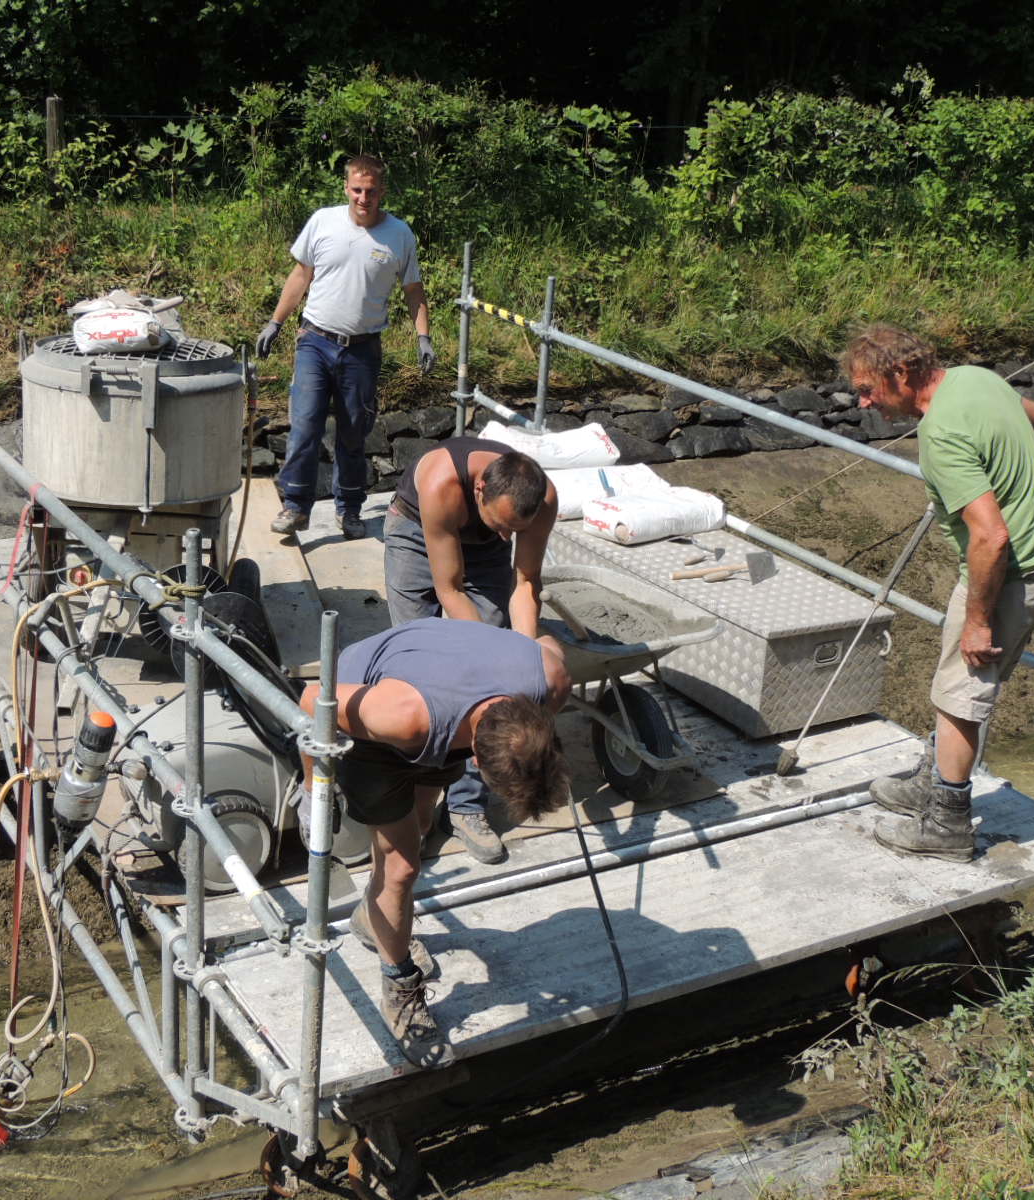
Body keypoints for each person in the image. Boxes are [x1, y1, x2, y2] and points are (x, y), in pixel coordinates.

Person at [300, 619, 572, 1067]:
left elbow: (546, 641)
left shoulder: (552, 682)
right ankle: (399, 986)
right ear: (476, 757)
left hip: (443, 696)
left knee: (421, 824)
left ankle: (371, 919)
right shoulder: (402, 715)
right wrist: (313, 789)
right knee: (401, 868)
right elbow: (313, 701)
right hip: (371, 723)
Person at [847, 324, 1034, 862]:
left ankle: (947, 823)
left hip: (1008, 571)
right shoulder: (976, 378)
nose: (863, 403)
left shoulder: (941, 433)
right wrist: (1023, 469)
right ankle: (933, 780)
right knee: (956, 684)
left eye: (868, 389)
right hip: (1031, 558)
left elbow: (991, 536)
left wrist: (978, 621)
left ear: (901, 374)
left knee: (960, 694)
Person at [384, 438, 559, 863]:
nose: (507, 537)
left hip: (482, 550)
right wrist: (486, 658)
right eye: (503, 525)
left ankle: (465, 807)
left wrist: (519, 658)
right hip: (416, 532)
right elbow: (449, 589)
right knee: (421, 668)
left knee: (492, 691)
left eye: (514, 531)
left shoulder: (541, 499)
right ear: (480, 489)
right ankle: (414, 804)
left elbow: (525, 582)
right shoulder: (441, 483)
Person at [256, 154, 433, 541]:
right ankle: (295, 506)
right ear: (346, 188)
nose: (363, 198)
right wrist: (275, 322)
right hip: (315, 342)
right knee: (305, 426)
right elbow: (300, 275)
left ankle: (349, 509)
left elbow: (413, 291)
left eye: (371, 191)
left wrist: (423, 336)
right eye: (357, 190)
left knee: (353, 434)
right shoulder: (323, 221)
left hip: (362, 351)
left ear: (382, 191)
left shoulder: (399, 234)